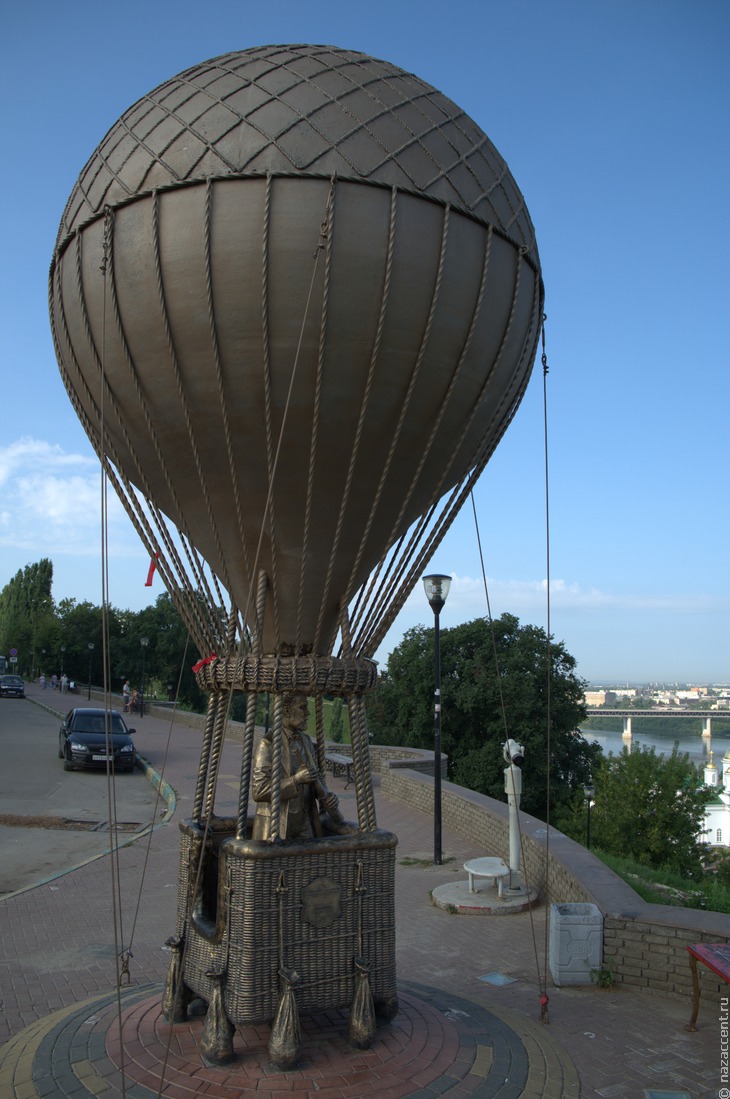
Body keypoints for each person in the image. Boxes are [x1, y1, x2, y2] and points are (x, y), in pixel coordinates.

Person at [252, 692, 340, 841]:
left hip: (305, 823)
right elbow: (259, 791)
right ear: (286, 710)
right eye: (302, 707)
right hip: (275, 825)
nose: (308, 713)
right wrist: (296, 780)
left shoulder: (306, 741)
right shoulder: (267, 744)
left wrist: (327, 795)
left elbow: (316, 777)